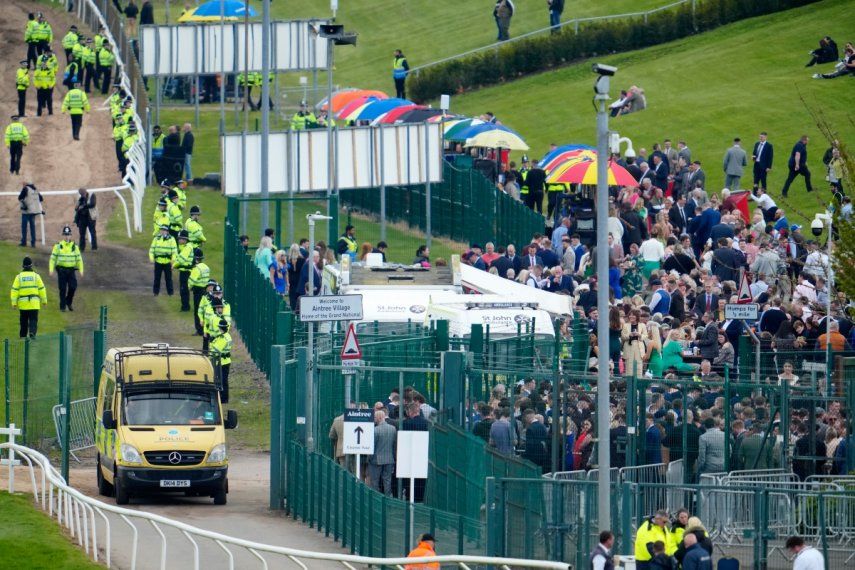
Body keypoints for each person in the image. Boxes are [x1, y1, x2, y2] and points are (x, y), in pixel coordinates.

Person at [49, 225, 83, 312]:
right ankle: (62, 306)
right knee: (62, 288)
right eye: (65, 234)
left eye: (68, 234)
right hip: (61, 270)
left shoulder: (74, 247)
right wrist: (51, 269)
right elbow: (53, 259)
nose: (67, 236)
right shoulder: (58, 246)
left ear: (70, 235)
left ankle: (68, 301)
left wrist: (81, 269)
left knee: (73, 287)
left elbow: (79, 259)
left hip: (71, 270)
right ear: (63, 235)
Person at [10, 257, 47, 338]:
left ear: (23, 266)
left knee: (23, 321)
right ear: (31, 265)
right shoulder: (36, 276)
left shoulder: (19, 277)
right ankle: (32, 332)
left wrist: (14, 303)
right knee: (33, 320)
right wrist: (44, 301)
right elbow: (42, 289)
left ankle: (23, 336)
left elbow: (14, 290)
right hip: (34, 304)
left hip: (23, 304)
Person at [368, 409, 396, 496]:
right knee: (387, 480)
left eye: (375, 417)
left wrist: (369, 458)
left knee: (374, 481)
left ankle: (376, 498)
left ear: (379, 418)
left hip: (376, 459)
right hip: (389, 459)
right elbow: (394, 444)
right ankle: (387, 498)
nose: (374, 419)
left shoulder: (375, 430)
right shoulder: (393, 429)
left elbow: (372, 446)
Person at [208, 318, 232, 403]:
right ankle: (223, 398)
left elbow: (215, 350)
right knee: (223, 381)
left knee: (222, 381)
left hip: (222, 362)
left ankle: (223, 398)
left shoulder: (222, 338)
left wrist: (211, 343)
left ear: (220, 328)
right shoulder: (227, 335)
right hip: (225, 361)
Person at [149, 224, 177, 296]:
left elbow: (174, 252)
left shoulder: (171, 239)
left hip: (167, 262)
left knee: (168, 278)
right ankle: (155, 292)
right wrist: (151, 258)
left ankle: (170, 293)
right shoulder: (156, 239)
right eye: (161, 230)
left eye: (164, 230)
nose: (162, 231)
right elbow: (151, 250)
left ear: (167, 231)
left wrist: (173, 261)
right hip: (158, 261)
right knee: (157, 278)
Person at [188, 248, 211, 335]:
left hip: (198, 291)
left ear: (195, 258)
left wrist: (189, 287)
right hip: (205, 291)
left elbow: (191, 281)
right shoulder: (206, 267)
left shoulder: (196, 268)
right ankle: (205, 328)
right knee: (204, 310)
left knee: (198, 310)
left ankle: (199, 330)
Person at [173, 230, 194, 311]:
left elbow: (181, 259)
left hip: (185, 272)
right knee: (184, 289)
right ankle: (185, 306)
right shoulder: (186, 247)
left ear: (184, 239)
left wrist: (173, 266)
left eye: (180, 239)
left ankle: (185, 307)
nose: (178, 240)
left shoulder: (187, 247)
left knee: (183, 290)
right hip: (184, 271)